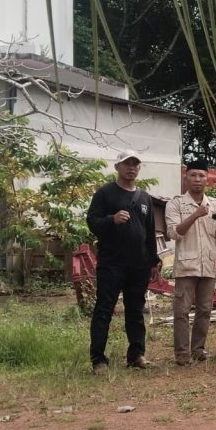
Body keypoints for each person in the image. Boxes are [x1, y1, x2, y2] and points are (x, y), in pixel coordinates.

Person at [86, 150, 160, 373]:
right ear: (117, 167)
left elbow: (149, 231)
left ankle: (136, 354)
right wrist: (112, 219)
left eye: (135, 164)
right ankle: (98, 359)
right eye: (127, 164)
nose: (131, 168)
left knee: (136, 310)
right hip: (112, 263)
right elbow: (92, 221)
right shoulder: (105, 193)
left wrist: (154, 260)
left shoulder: (145, 197)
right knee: (104, 310)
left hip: (138, 264)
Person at [165, 159, 216, 365]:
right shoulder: (175, 204)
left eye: (202, 176)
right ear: (186, 177)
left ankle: (198, 350)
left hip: (209, 264)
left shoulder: (215, 205)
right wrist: (195, 214)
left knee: (205, 309)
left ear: (207, 179)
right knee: (182, 311)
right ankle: (182, 354)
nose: (198, 180)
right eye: (193, 175)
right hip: (186, 265)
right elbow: (175, 233)